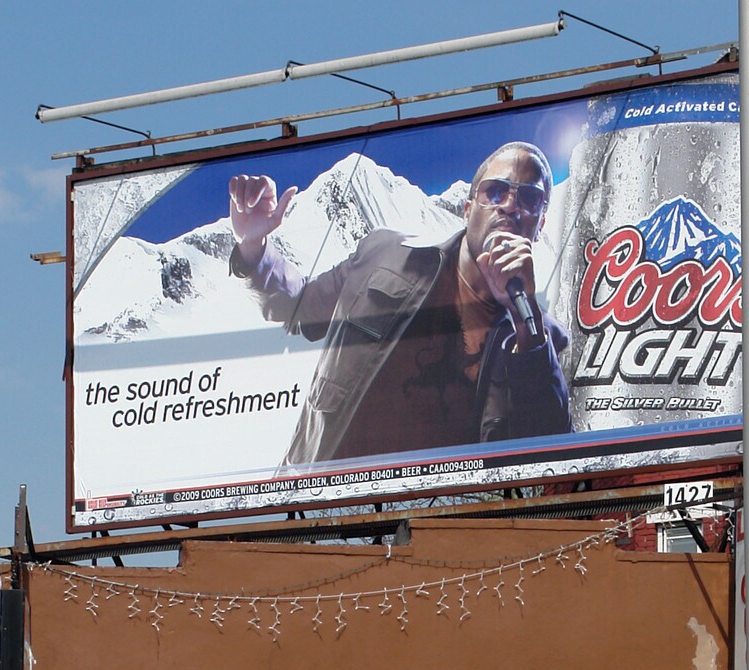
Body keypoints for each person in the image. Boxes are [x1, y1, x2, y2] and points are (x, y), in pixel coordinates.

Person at [227, 142, 572, 467]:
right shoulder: (385, 255)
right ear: (468, 210)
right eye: (495, 191)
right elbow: (296, 309)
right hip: (321, 508)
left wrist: (524, 321)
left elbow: (550, 457)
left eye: (529, 198)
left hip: (439, 526)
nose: (510, 206)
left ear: (540, 223)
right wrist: (253, 247)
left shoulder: (544, 339)